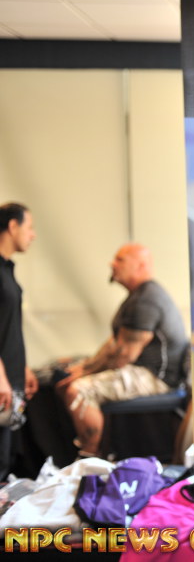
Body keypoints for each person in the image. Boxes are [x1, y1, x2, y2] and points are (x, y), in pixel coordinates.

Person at [57, 243, 189, 457]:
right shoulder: (137, 296)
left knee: (79, 391)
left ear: (140, 266)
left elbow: (125, 355)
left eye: (120, 259)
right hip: (142, 371)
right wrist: (84, 367)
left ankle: (90, 458)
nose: (112, 264)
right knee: (68, 381)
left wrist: (85, 374)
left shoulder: (147, 300)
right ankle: (99, 452)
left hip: (156, 377)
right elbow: (114, 344)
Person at [0, 203, 38, 480]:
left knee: (7, 457)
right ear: (12, 226)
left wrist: (22, 368)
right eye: (29, 227)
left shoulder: (7, 268)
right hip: (1, 380)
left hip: (10, 376)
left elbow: (7, 326)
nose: (32, 234)